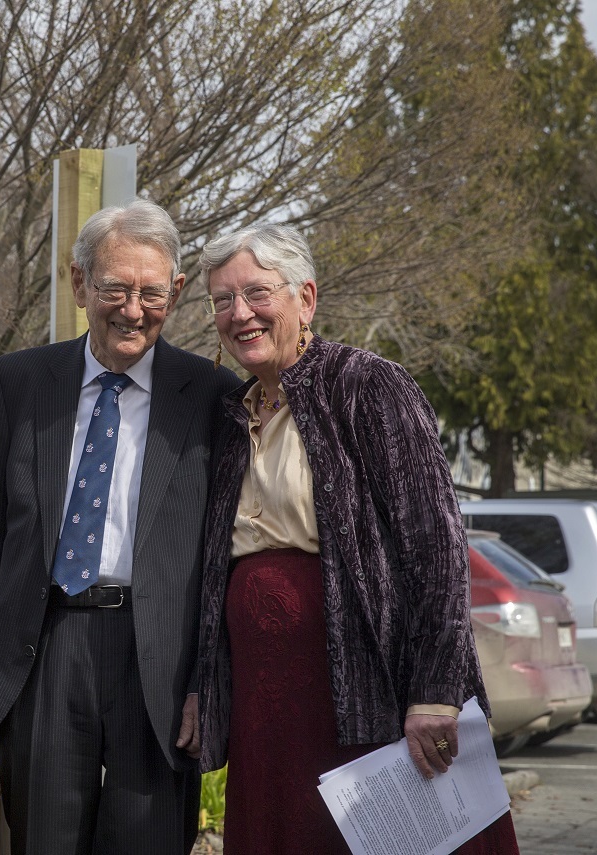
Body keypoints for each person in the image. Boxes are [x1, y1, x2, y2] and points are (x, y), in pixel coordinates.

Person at [195, 223, 520, 853]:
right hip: (268, 702)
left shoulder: (365, 386)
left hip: (362, 689)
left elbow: (437, 548)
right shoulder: (233, 414)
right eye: (220, 301)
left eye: (257, 294)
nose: (239, 314)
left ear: (305, 299)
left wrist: (435, 693)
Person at [0, 199, 239, 855]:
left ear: (175, 292)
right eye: (116, 288)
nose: (133, 309)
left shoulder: (213, 395)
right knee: (45, 840)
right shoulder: (20, 382)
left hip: (159, 662)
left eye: (152, 293)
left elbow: (221, 557)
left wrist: (207, 680)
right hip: (46, 647)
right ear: (81, 282)